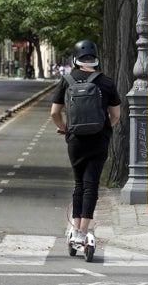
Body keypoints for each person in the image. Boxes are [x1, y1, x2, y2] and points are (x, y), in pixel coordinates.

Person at [50, 40, 121, 245]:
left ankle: (74, 227)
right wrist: (104, 128)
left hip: (75, 140)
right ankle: (83, 231)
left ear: (75, 58)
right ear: (96, 58)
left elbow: (54, 113)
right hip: (99, 139)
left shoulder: (67, 80)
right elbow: (115, 114)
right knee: (91, 185)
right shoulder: (106, 82)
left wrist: (64, 128)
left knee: (79, 183)